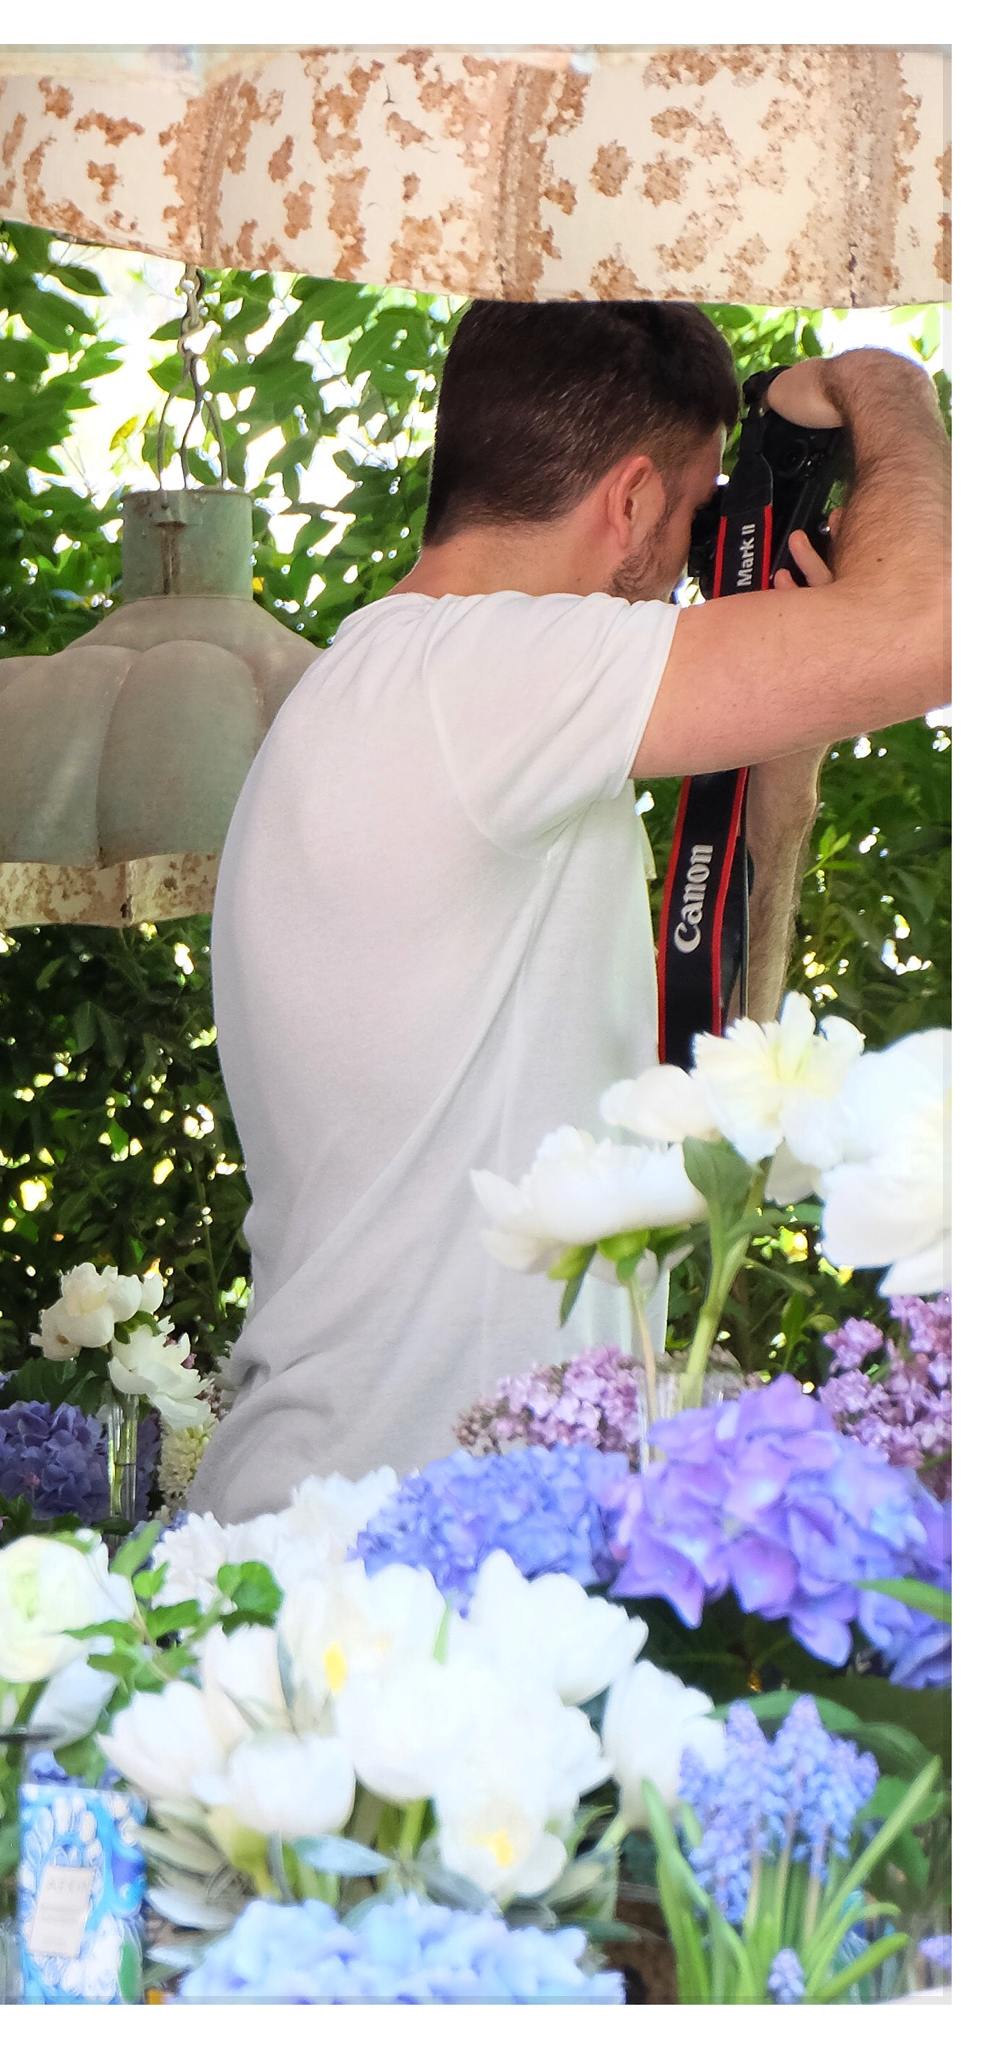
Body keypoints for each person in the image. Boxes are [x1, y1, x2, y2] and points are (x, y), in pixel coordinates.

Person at [187, 304, 950, 1519]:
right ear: (632, 500)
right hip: (385, 1531)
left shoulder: (446, 708)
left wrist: (783, 777)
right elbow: (936, 621)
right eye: (696, 512)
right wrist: (882, 376)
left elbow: (703, 1112)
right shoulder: (469, 673)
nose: (694, 561)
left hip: (411, 1515)